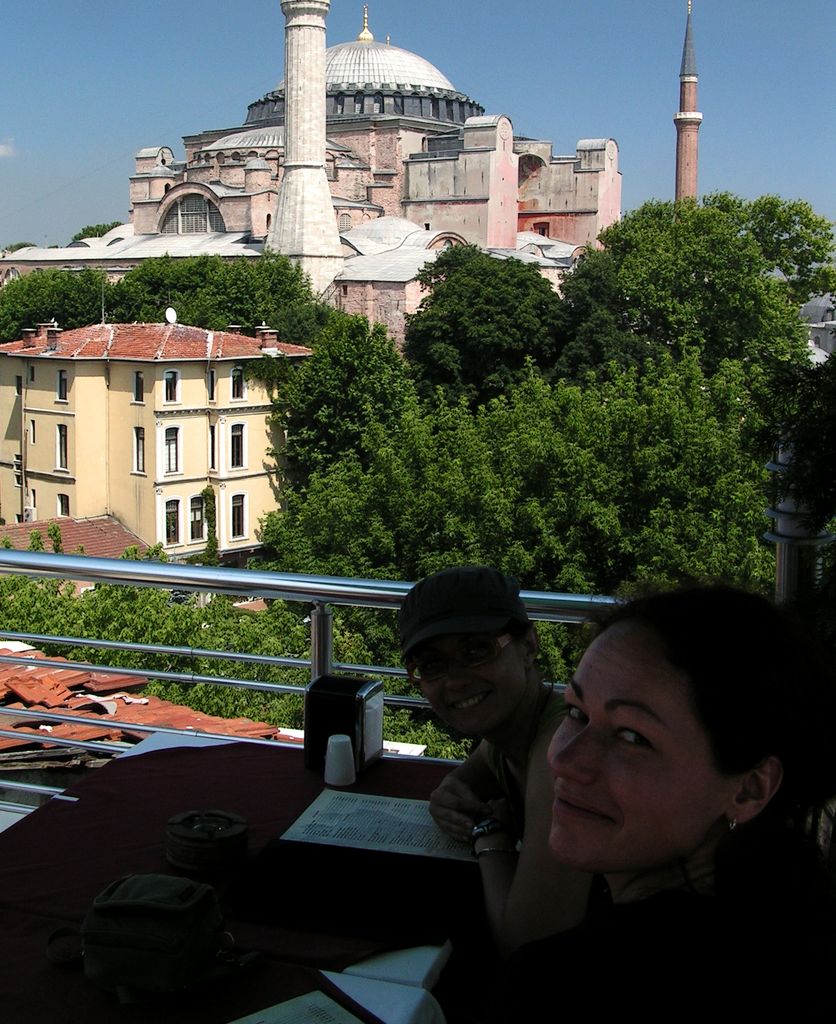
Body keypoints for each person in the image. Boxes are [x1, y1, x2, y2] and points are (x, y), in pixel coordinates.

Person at [504, 584, 836, 1016]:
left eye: (632, 736)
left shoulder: (563, 987)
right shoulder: (793, 923)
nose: (566, 760)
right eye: (576, 713)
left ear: (749, 788)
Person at [398, 566, 590, 954]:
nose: (456, 680)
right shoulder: (509, 737)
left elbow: (530, 944)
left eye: (476, 651)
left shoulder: (560, 752)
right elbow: (457, 786)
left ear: (529, 646)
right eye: (432, 665)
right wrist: (446, 798)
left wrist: (490, 838)